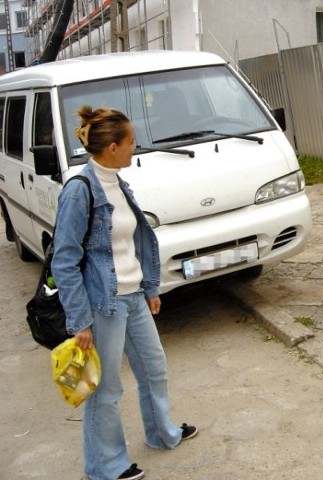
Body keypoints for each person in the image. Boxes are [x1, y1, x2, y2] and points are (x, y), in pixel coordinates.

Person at [52, 106, 197, 480]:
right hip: (104, 303)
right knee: (105, 389)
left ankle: (162, 433)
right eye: (131, 141)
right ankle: (106, 466)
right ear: (112, 147)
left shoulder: (118, 183)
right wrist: (80, 320)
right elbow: (64, 262)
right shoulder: (79, 191)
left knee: (154, 368)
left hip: (132, 296)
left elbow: (134, 240)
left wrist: (149, 286)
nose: (136, 147)